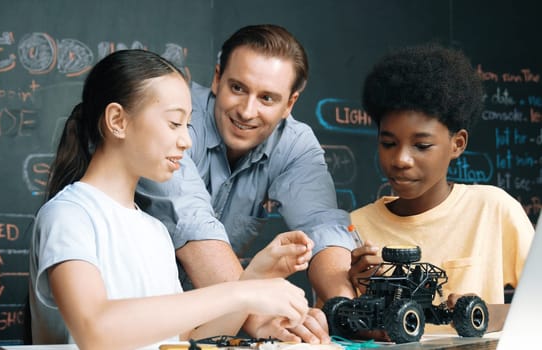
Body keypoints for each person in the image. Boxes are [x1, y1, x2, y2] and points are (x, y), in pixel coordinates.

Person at [28, 49, 317, 349]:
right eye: (174, 123)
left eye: (188, 125)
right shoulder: (69, 215)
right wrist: (240, 294)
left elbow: (181, 340)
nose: (186, 141)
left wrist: (254, 276)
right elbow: (95, 329)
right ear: (117, 120)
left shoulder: (155, 232)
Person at [137, 24, 356, 343]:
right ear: (216, 78)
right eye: (237, 88)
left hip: (211, 326)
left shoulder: (295, 143)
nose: (246, 111)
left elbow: (322, 225)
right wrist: (262, 317)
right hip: (135, 320)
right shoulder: (176, 118)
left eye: (267, 98)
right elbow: (193, 222)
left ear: (290, 103)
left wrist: (346, 310)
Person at [349, 43, 535, 334]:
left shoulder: (493, 209)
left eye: (422, 146)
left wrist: (481, 315)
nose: (400, 160)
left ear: (457, 144)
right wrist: (354, 291)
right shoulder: (354, 227)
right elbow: (329, 330)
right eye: (388, 143)